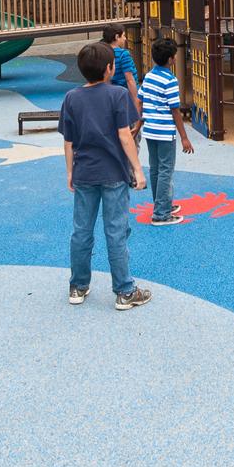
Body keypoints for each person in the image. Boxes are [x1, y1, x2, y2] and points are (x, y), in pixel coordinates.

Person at [59, 41, 150, 310]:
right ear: (110, 69)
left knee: (81, 231)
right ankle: (124, 291)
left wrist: (69, 172)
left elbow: (68, 141)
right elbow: (125, 134)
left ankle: (78, 285)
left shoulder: (72, 98)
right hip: (114, 173)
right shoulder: (118, 95)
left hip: (85, 172)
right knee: (116, 231)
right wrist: (137, 169)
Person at [137, 37, 194, 225]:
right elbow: (175, 110)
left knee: (155, 169)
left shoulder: (149, 76)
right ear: (171, 59)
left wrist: (138, 125)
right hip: (164, 131)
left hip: (150, 130)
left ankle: (161, 204)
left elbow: (140, 100)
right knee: (166, 170)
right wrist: (184, 137)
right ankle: (161, 213)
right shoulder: (170, 80)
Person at [100, 24, 143, 126]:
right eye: (123, 36)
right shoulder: (124, 54)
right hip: (126, 98)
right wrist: (136, 101)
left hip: (110, 98)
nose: (125, 38)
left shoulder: (103, 53)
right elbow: (130, 79)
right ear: (116, 37)